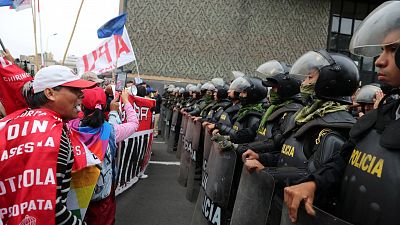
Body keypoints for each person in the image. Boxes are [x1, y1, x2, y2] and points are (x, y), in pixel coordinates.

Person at [283, 2, 400, 224]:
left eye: (393, 50)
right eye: (383, 50)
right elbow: (343, 161)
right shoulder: (382, 116)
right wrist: (314, 183)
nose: (379, 61)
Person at [0, 65, 96, 224]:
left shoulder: (12, 122)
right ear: (50, 93)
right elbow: (51, 210)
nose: (81, 95)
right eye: (74, 89)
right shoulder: (53, 136)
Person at [69, 88, 139, 225]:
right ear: (105, 106)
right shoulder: (110, 131)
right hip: (102, 194)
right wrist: (125, 101)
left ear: (81, 106)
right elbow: (134, 123)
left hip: (74, 191)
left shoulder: (70, 127)